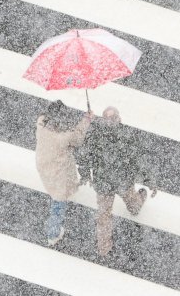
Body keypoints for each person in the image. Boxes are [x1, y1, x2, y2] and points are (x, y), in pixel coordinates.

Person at [81, 107, 151, 257]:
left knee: (103, 216)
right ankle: (136, 206)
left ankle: (104, 248)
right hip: (122, 181)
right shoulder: (126, 136)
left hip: (104, 183)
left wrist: (86, 174)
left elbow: (87, 155)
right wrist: (148, 179)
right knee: (131, 202)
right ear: (119, 119)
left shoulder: (96, 133)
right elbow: (136, 160)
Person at [35, 101, 92, 247]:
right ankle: (52, 235)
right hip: (58, 171)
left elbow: (43, 117)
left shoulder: (41, 125)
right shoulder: (64, 137)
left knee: (55, 192)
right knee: (58, 202)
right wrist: (86, 119)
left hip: (43, 165)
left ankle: (53, 231)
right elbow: (78, 138)